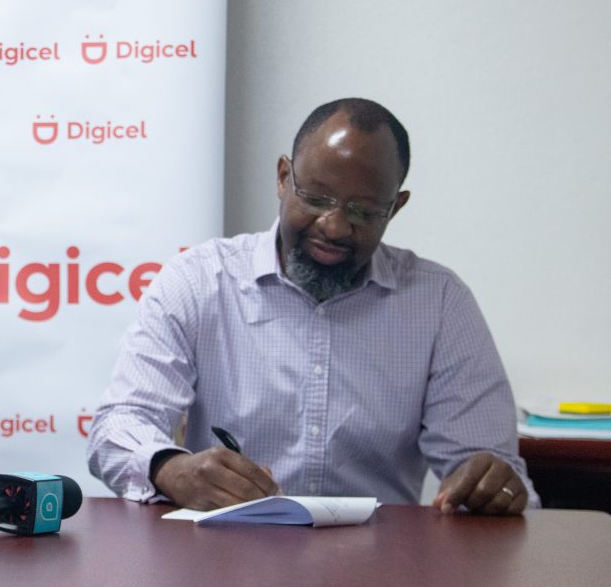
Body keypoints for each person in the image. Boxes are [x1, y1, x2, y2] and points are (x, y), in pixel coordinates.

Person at [87, 98, 537, 516]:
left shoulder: (439, 302)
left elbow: (485, 466)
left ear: (395, 208)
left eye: (363, 211)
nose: (335, 226)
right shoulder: (200, 280)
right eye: (317, 199)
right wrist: (170, 467)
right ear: (284, 177)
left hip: (382, 568)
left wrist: (490, 485)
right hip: (226, 562)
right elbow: (118, 424)